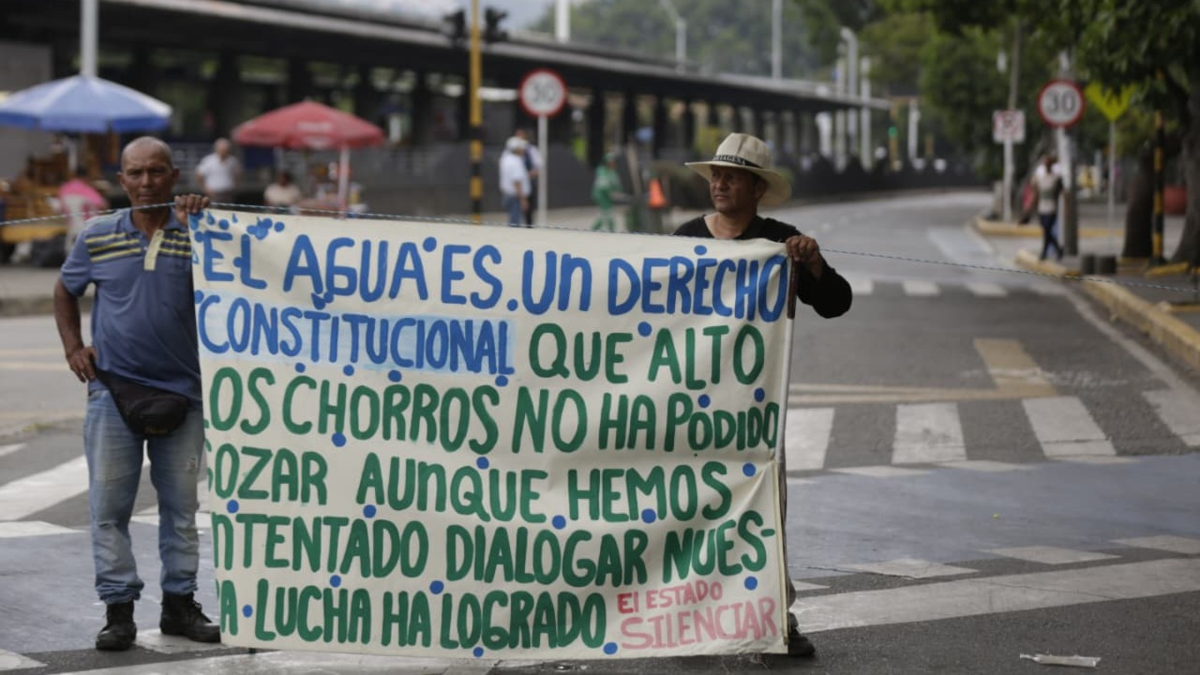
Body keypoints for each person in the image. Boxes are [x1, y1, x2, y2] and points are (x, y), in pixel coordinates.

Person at [675, 133, 852, 659]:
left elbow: (836, 302)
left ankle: (776, 619)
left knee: (763, 514)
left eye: (731, 177)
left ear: (757, 189)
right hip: (689, 402)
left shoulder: (782, 243)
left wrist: (812, 264)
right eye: (716, 175)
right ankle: (686, 616)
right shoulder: (685, 239)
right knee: (690, 513)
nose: (720, 184)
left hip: (753, 413)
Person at [54, 137, 220, 652]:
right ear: (121, 181)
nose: (146, 182)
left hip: (185, 395)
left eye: (156, 172)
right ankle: (118, 611)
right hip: (112, 393)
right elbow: (65, 289)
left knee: (181, 511)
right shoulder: (98, 235)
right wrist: (73, 347)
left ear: (174, 177)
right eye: (136, 173)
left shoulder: (200, 232)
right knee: (109, 511)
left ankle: (180, 605)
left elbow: (242, 281)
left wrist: (204, 225)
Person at [1033, 154, 1064, 261]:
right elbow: (1036, 192)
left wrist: (1067, 209)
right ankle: (1058, 249)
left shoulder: (1056, 178)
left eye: (1048, 163)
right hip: (1042, 207)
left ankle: (1044, 252)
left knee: (1047, 230)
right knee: (1046, 231)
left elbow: (1063, 192)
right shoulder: (1040, 177)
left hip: (1051, 207)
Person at [194, 137, 241, 204]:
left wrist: (235, 187)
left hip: (229, 192)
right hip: (214, 192)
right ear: (216, 149)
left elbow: (238, 175)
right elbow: (199, 175)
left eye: (226, 149)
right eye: (222, 149)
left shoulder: (233, 161)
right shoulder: (208, 160)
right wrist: (205, 189)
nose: (224, 151)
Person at [499, 136, 531, 227]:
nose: (523, 149)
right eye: (521, 147)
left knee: (513, 222)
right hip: (515, 197)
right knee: (515, 224)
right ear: (516, 149)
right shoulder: (515, 161)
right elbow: (517, 181)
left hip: (508, 195)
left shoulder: (505, 159)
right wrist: (523, 199)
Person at [590, 151, 625, 231]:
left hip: (607, 195)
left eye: (613, 162)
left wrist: (618, 191)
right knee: (607, 212)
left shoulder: (613, 173)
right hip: (601, 194)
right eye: (610, 162)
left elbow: (617, 185)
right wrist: (612, 192)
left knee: (606, 213)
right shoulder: (601, 170)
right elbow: (603, 185)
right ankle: (596, 230)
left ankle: (606, 230)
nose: (612, 164)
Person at [514, 128, 542, 225]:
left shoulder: (531, 149)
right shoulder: (511, 151)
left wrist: (533, 172)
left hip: (529, 181)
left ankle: (528, 225)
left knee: (529, 208)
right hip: (518, 182)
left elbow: (538, 165)